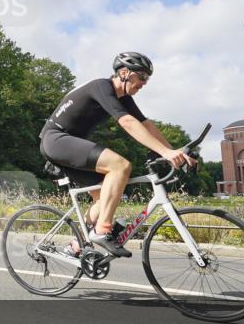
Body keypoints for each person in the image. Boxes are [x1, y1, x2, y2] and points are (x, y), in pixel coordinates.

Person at [39, 52, 196, 258]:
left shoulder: (125, 98)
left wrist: (175, 152)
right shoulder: (102, 87)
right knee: (120, 166)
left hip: (73, 145)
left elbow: (146, 125)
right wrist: (165, 152)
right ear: (124, 73)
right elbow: (128, 123)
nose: (144, 83)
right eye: (142, 77)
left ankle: (76, 246)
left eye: (147, 78)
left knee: (105, 197)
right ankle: (102, 230)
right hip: (56, 140)